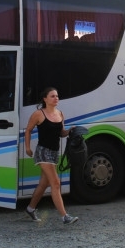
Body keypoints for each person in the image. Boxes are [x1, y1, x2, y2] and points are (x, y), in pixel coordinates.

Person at [24, 87, 78, 225]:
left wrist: (70, 131)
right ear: (45, 99)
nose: (56, 98)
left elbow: (61, 133)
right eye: (53, 96)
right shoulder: (38, 114)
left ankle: (30, 208)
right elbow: (28, 130)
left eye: (57, 96)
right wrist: (28, 147)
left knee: (44, 184)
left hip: (54, 152)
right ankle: (65, 217)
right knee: (55, 182)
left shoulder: (60, 114)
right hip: (43, 151)